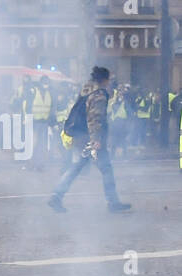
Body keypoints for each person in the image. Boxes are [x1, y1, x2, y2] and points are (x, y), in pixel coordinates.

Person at [48, 67, 131, 214]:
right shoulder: (98, 95)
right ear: (104, 80)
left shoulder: (86, 90)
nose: (110, 82)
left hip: (80, 136)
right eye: (109, 80)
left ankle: (57, 196)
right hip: (89, 138)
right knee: (105, 168)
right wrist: (96, 140)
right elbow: (95, 118)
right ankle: (112, 202)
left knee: (77, 167)